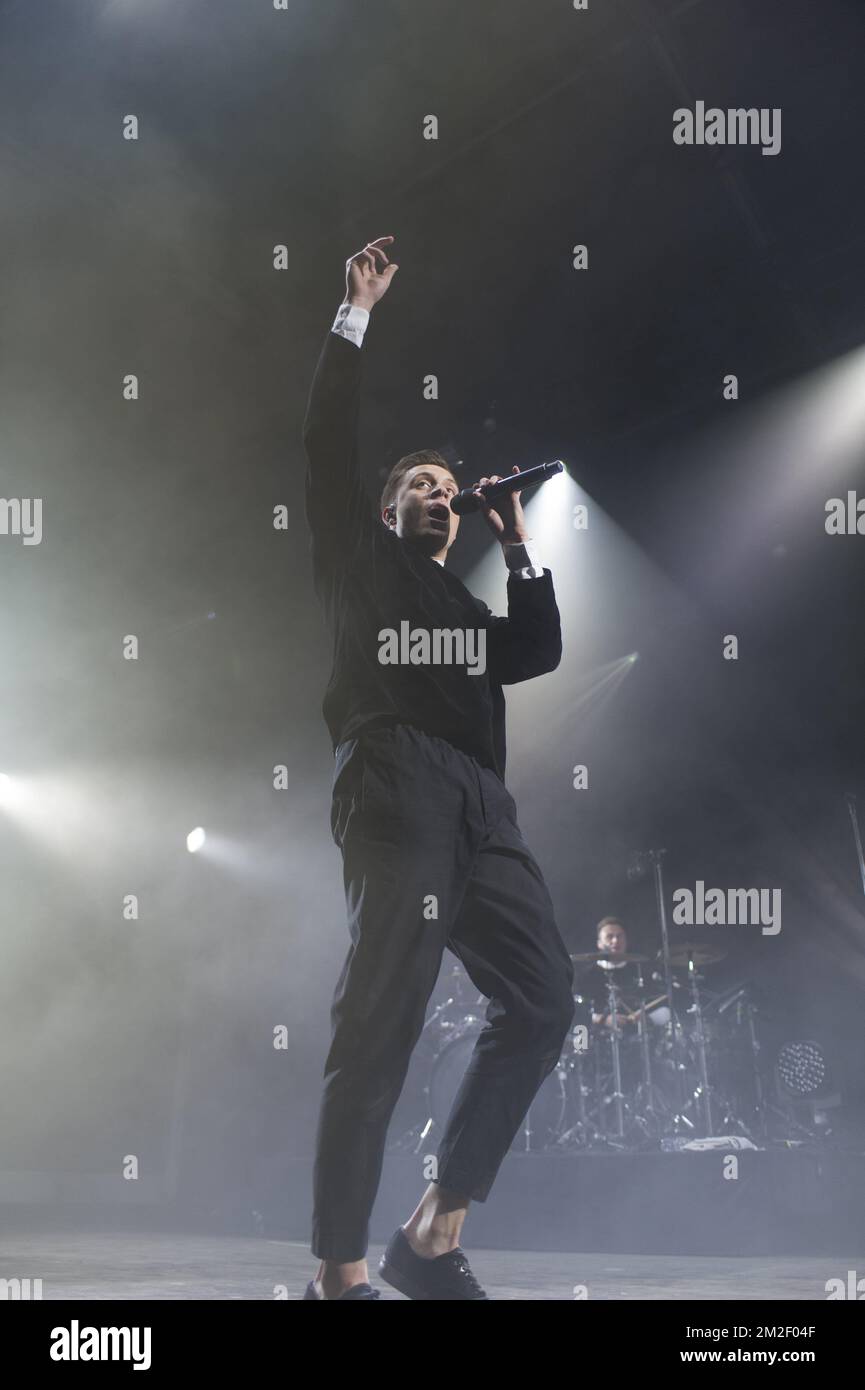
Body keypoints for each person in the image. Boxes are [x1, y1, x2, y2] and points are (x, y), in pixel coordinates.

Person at [301, 236, 574, 1300]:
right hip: (396, 777)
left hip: (479, 803)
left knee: (545, 1002)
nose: (438, 490)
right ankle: (341, 1273)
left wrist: (514, 541)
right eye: (419, 482)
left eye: (448, 486)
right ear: (386, 511)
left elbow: (537, 652)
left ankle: (432, 1229)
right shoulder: (358, 565)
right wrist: (354, 316)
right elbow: (325, 447)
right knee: (385, 1013)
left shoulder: (463, 610)